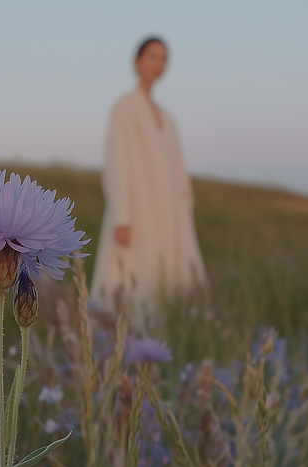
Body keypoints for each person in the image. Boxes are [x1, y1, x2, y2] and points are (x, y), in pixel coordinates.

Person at [90, 36, 207, 321]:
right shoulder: (125, 107)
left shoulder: (167, 118)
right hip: (137, 211)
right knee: (131, 278)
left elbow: (178, 170)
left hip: (171, 213)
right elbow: (117, 162)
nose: (159, 64)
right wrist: (123, 216)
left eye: (164, 58)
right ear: (137, 61)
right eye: (153, 56)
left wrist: (184, 205)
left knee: (165, 279)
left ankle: (161, 340)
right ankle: (118, 344)